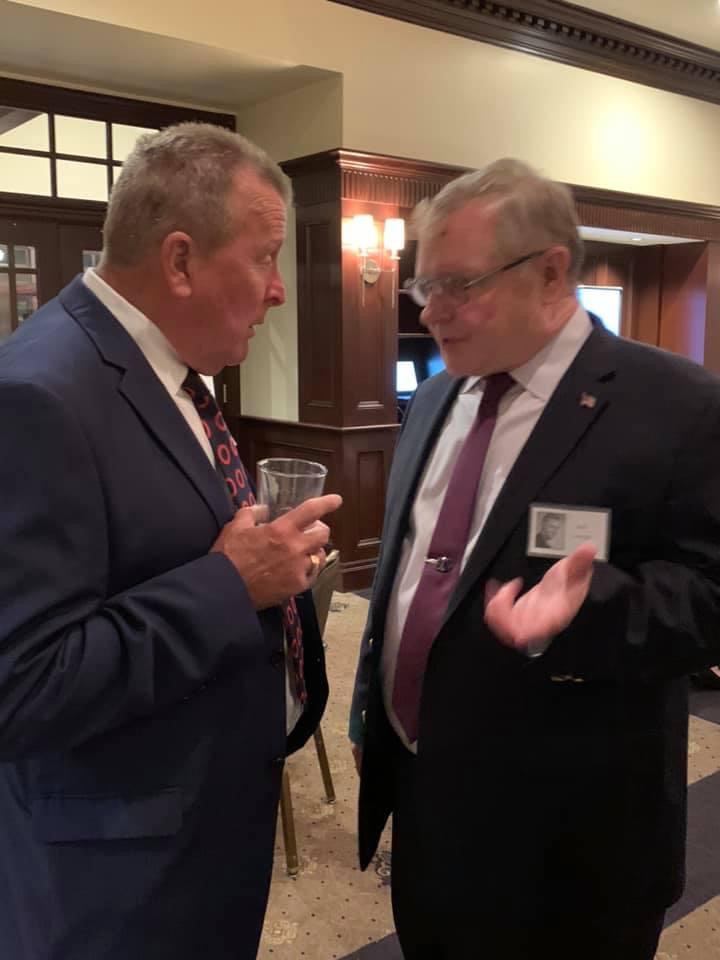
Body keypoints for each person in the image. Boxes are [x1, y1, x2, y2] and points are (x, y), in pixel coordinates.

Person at [349, 158, 720, 960]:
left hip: (572, 841)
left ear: (552, 272)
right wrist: (372, 713)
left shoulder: (679, 406)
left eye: (458, 285)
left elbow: (712, 596)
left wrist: (591, 611)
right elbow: (405, 572)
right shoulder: (437, 396)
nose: (431, 311)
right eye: (424, 286)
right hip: (428, 802)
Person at [0, 123, 341, 960]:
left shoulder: (169, 371)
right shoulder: (37, 395)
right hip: (115, 883)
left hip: (196, 830)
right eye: (265, 258)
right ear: (181, 261)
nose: (279, 292)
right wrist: (231, 585)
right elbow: (22, 686)